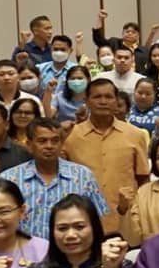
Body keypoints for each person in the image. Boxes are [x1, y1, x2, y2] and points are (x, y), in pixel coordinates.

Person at [62, 78, 150, 221]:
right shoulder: (71, 135)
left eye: (108, 97)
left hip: (126, 219)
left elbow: (143, 179)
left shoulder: (135, 135)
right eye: (97, 97)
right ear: (87, 101)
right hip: (82, 219)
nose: (103, 101)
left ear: (116, 101)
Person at [2, 118, 107, 236]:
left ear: (62, 144)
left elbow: (97, 219)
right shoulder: (10, 179)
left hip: (71, 250)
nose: (49, 146)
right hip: (25, 252)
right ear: (29, 145)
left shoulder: (83, 176)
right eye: (42, 141)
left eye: (55, 140)